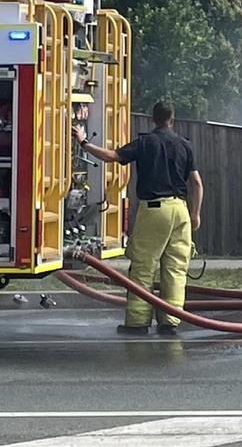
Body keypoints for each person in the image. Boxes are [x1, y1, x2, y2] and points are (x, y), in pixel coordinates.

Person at [74, 101, 203, 336]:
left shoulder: (145, 143)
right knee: (175, 268)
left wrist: (83, 142)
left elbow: (112, 156)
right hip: (181, 210)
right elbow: (196, 183)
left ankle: (137, 323)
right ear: (172, 119)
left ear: (153, 119)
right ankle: (170, 322)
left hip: (154, 210)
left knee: (144, 266)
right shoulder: (185, 145)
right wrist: (195, 214)